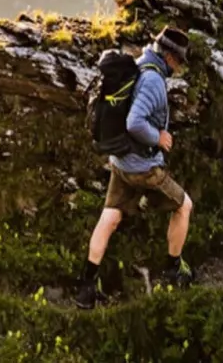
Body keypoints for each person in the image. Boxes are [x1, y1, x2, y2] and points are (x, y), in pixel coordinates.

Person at [76, 26, 195, 308]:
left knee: (110, 217)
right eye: (178, 62)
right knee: (183, 206)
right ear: (169, 57)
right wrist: (159, 138)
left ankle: (86, 286)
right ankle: (174, 269)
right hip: (142, 167)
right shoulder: (153, 81)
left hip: (120, 161)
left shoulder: (138, 64)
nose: (178, 68)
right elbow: (134, 122)